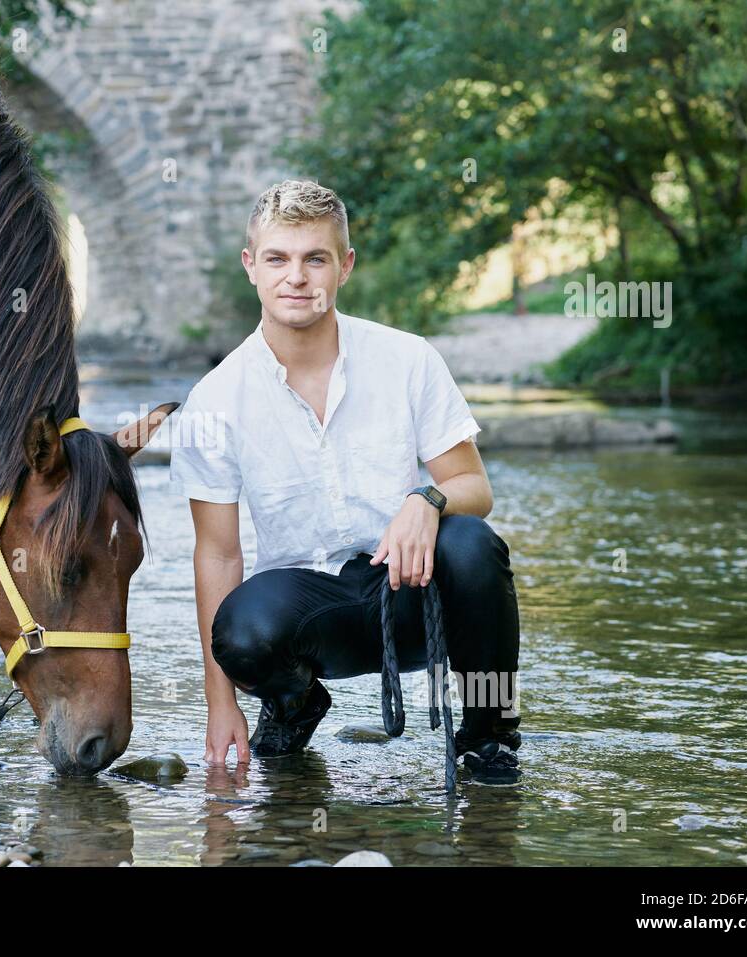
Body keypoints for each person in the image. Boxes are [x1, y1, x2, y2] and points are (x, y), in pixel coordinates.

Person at [169, 179, 522, 785]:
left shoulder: (408, 359)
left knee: (472, 543)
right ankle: (295, 703)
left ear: (345, 266)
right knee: (242, 630)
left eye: (316, 259)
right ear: (250, 266)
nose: (296, 277)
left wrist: (426, 499)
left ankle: (489, 736)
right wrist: (219, 704)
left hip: (411, 592)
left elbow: (474, 486)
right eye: (277, 259)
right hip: (309, 615)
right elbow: (219, 554)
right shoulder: (214, 399)